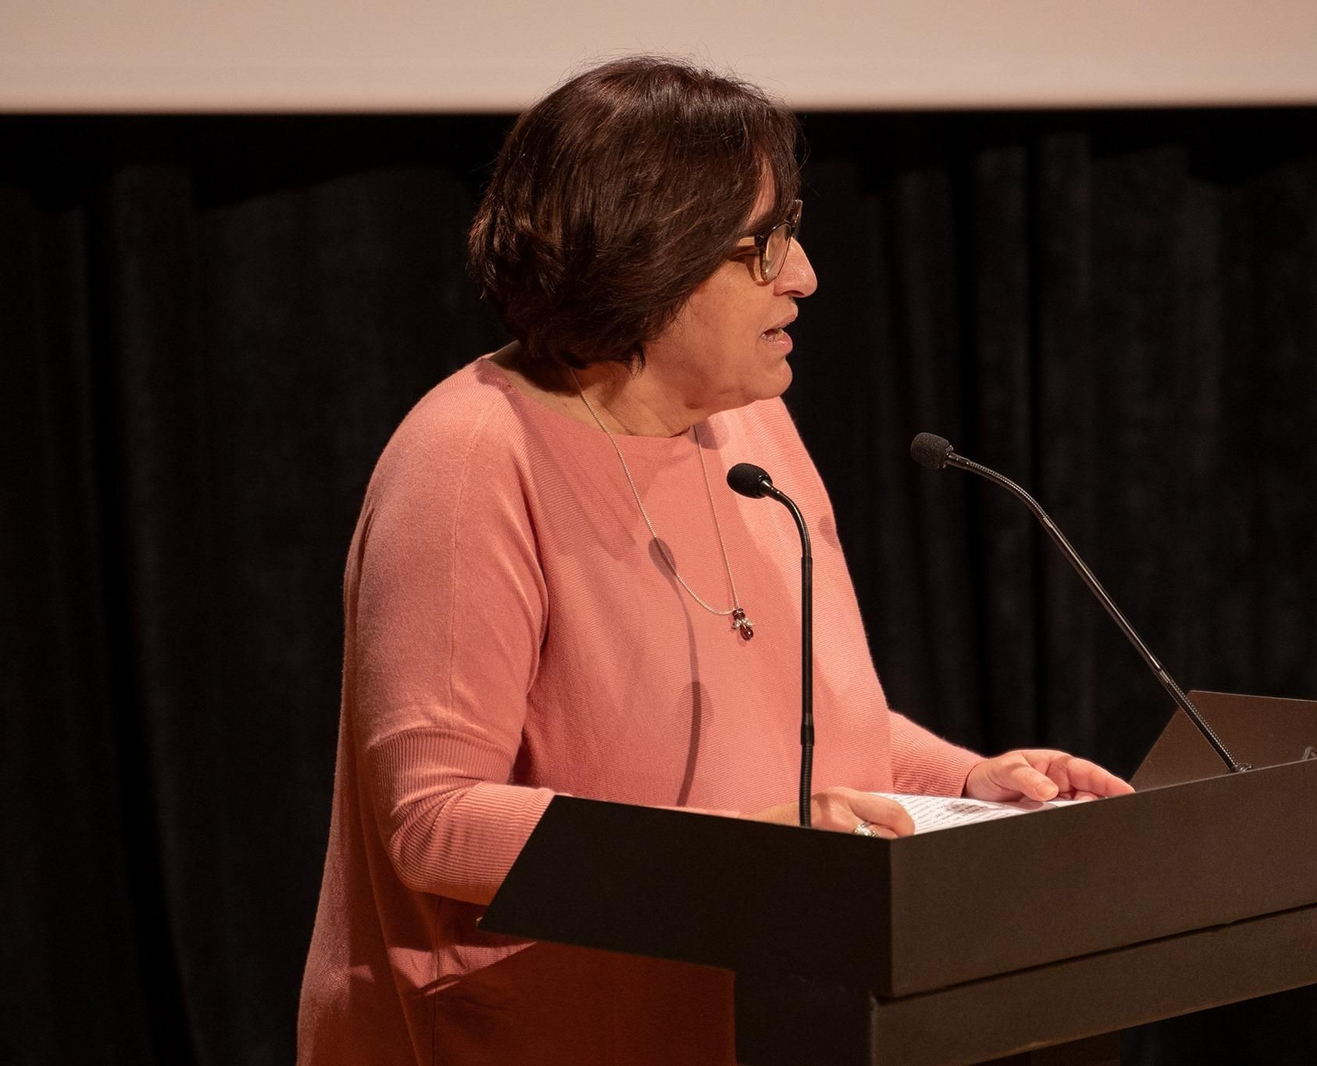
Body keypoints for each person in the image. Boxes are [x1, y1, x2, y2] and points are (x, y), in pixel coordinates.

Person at [296, 56, 1133, 1066]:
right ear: (643, 256)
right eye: (761, 246)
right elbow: (432, 821)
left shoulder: (751, 428)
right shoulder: (472, 456)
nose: (806, 273)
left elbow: (816, 734)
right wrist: (739, 860)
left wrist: (965, 789)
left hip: (758, 1015)